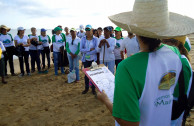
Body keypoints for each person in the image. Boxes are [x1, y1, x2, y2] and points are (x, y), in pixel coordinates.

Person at [97, 0, 194, 125]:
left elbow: (129, 122)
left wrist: (106, 101)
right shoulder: (174, 53)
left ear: (135, 30)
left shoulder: (126, 67)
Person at [162, 36, 192, 126]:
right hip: (174, 107)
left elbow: (177, 91)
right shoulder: (178, 59)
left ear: (175, 43)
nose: (162, 44)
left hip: (174, 108)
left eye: (165, 41)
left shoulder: (181, 62)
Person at [80, 25, 98, 95]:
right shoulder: (83, 39)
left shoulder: (95, 39)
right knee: (86, 75)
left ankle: (93, 89)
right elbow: (81, 49)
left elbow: (96, 49)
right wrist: (89, 49)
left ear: (92, 30)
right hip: (86, 59)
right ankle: (86, 88)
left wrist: (87, 52)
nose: (88, 32)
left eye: (89, 30)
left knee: (93, 74)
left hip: (93, 59)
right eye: (86, 30)